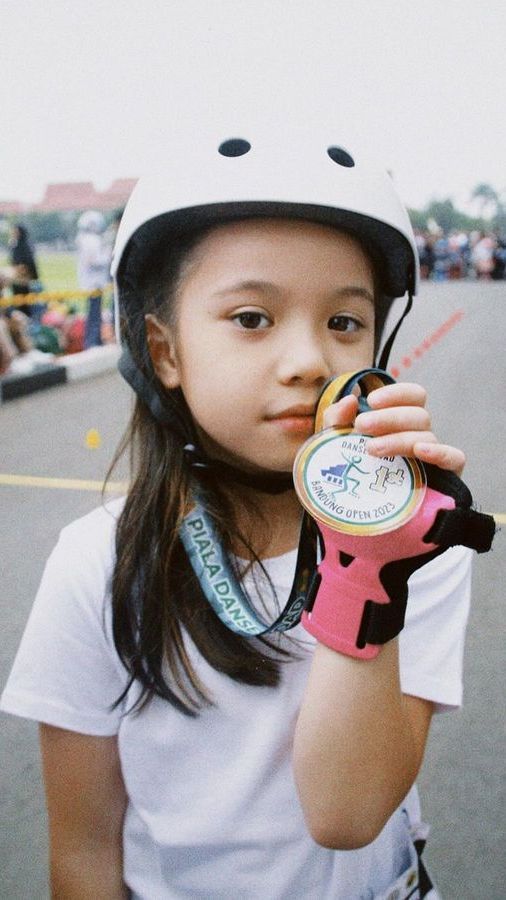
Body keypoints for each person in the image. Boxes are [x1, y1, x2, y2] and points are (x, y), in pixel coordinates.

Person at [0, 134, 494, 899]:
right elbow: (85, 853)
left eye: (344, 323)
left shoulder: (413, 544)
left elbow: (346, 811)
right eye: (253, 317)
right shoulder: (96, 561)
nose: (308, 360)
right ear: (164, 351)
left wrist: (368, 559)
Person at [75, 209, 110, 349]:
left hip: (90, 282)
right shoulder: (91, 240)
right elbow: (94, 261)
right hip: (94, 282)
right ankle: (92, 341)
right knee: (94, 313)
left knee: (94, 312)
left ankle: (94, 339)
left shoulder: (83, 239)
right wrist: (107, 256)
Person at [8, 223, 41, 316]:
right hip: (17, 280)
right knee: (18, 304)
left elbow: (26, 264)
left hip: (23, 280)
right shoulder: (15, 244)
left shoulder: (24, 245)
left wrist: (18, 272)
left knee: (24, 305)